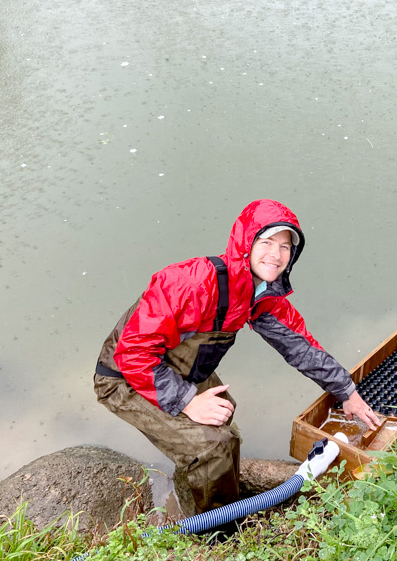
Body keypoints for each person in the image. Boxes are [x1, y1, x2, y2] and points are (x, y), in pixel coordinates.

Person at [93, 199, 380, 515]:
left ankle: (197, 493)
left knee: (225, 416)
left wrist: (347, 392)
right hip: (126, 378)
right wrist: (188, 401)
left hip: (178, 367)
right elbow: (133, 353)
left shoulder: (258, 293)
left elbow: (300, 346)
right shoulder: (189, 282)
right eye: (266, 242)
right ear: (246, 242)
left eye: (285, 247)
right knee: (212, 446)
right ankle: (216, 530)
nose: (276, 254)